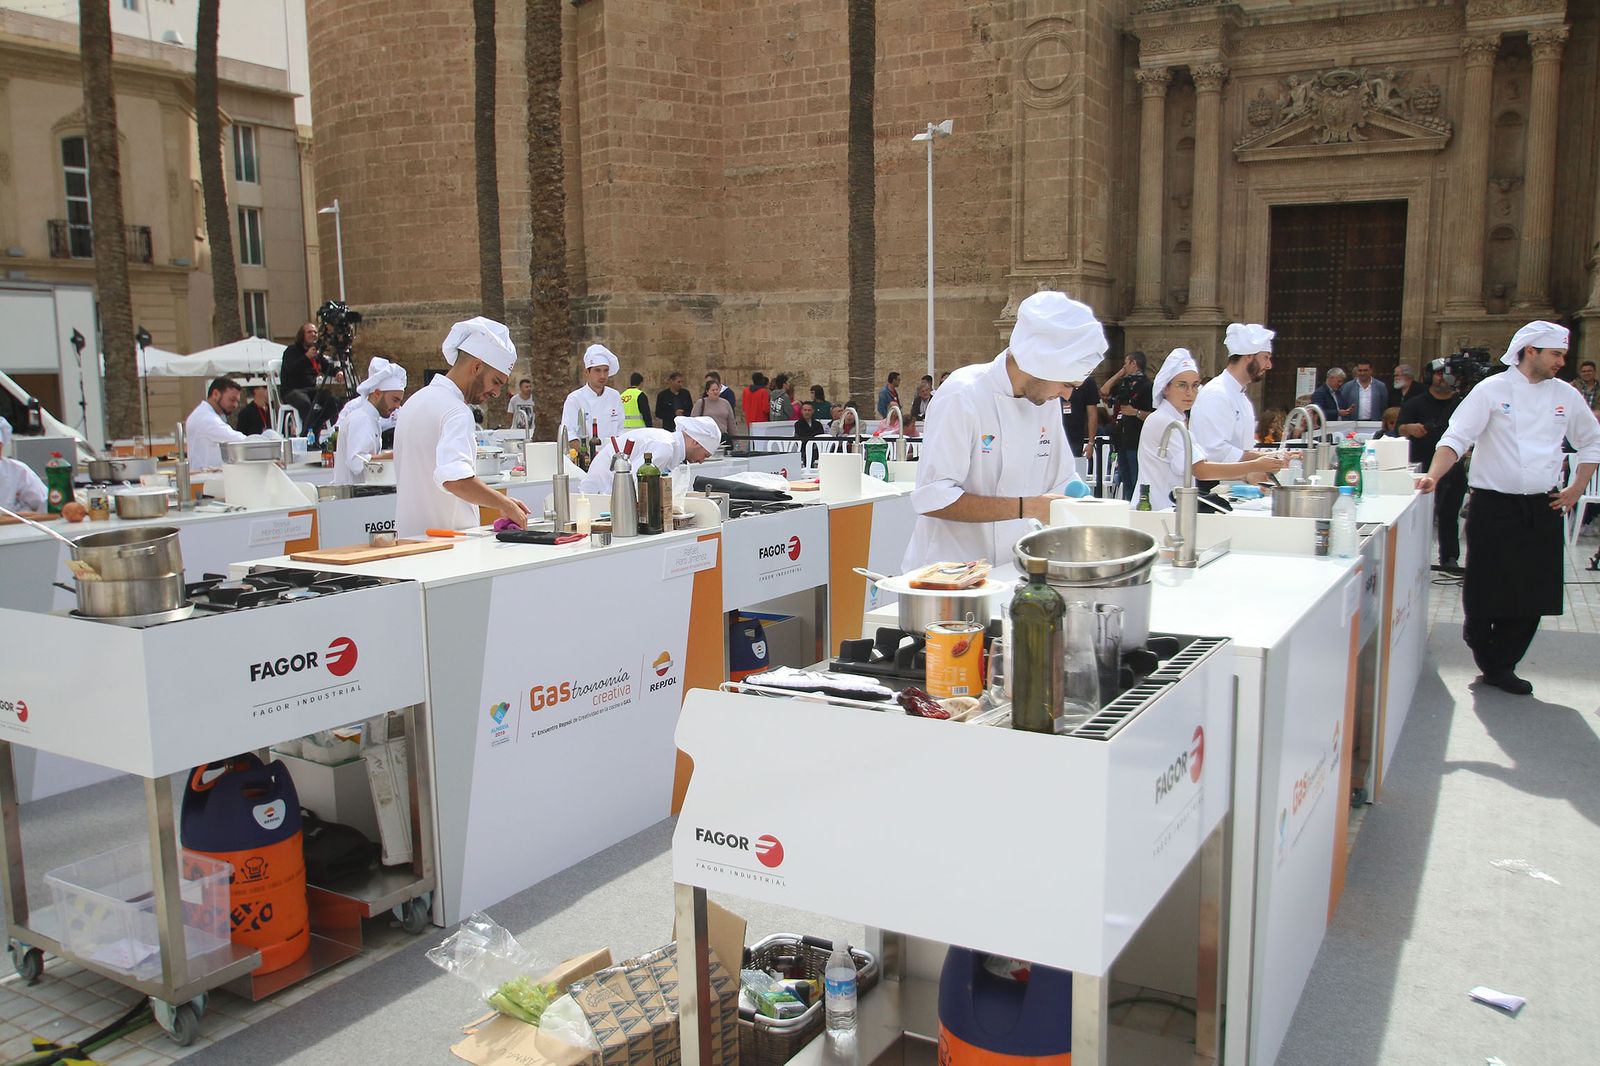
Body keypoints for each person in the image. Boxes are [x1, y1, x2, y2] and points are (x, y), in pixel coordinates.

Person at [1417, 321, 1600, 695]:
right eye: (1556, 354)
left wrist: (1576, 488)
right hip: (1492, 505)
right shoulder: (1491, 390)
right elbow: (1456, 438)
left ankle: (1502, 665)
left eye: (1563, 354)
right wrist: (1433, 477)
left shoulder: (1565, 395)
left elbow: (1591, 442)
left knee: (1534, 591)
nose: (1562, 362)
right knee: (1486, 586)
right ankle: (1480, 635)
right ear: (1530, 351)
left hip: (1543, 505)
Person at [902, 291, 1100, 573]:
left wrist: (1088, 504)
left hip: (1011, 568)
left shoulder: (1044, 401)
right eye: (1067, 383)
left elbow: (1061, 478)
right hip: (948, 573)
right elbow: (934, 498)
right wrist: (1027, 507)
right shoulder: (962, 394)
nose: (1067, 395)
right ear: (1039, 363)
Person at [394, 317, 530, 537]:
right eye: (496, 381)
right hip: (446, 548)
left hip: (410, 542)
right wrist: (505, 504)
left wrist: (499, 501)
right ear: (476, 366)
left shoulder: (416, 401)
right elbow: (455, 479)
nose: (496, 393)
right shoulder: (456, 411)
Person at [1135, 349, 1287, 510]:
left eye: (1194, 386)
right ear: (1166, 388)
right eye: (1182, 385)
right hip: (1156, 511)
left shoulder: (1177, 419)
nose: (1190, 393)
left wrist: (1248, 473)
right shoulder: (1163, 421)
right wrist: (1255, 465)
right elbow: (1201, 470)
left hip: (1170, 510)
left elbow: (1200, 466)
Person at [1397, 360, 1466, 573]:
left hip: (1453, 467)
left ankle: (1449, 557)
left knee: (1448, 514)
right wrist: (1410, 428)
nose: (1442, 378)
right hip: (1422, 467)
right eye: (1438, 374)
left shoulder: (1463, 404)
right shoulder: (1414, 403)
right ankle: (1413, 558)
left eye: (1447, 374)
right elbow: (1400, 428)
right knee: (1417, 518)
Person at [1191, 323, 1277, 494]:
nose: (1269, 365)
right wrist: (1260, 460)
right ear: (1249, 357)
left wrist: (1270, 456)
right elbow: (1214, 451)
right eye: (1265, 357)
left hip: (1236, 487)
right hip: (1212, 489)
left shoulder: (1240, 394)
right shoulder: (1217, 393)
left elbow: (1242, 446)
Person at [578, 416, 721, 495]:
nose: (701, 461)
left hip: (606, 493)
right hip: (601, 493)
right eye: (705, 455)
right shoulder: (665, 447)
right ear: (696, 442)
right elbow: (634, 484)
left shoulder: (667, 442)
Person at [333, 357, 406, 486]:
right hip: (352, 500)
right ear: (377, 394)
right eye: (395, 400)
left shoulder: (371, 419)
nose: (397, 406)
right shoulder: (362, 419)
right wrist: (391, 457)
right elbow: (356, 462)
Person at [1103, 351, 1153, 500]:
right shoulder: (1125, 385)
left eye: (1126, 364)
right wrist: (1121, 374)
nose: (1124, 367)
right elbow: (1104, 391)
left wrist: (1135, 412)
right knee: (1126, 483)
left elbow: (1153, 416)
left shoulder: (1147, 386)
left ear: (1134, 364)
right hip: (1122, 441)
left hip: (1136, 442)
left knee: (1136, 480)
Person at [561, 344, 625, 441]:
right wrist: (585, 453)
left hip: (611, 453)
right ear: (587, 372)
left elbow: (620, 429)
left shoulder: (614, 396)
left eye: (606, 371)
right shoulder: (575, 399)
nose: (602, 376)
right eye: (597, 371)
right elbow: (569, 433)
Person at [184, 376, 251, 469]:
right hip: (205, 479)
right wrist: (262, 445)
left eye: (237, 401)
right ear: (215, 394)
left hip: (206, 476)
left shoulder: (208, 414)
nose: (235, 405)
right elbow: (237, 439)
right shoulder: (206, 418)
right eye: (232, 399)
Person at [279, 323, 327, 430]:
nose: (313, 334)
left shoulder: (315, 353)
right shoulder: (291, 351)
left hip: (311, 390)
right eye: (309, 332)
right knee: (305, 404)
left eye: (315, 332)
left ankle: (316, 427)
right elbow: (291, 369)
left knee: (333, 402)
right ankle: (308, 435)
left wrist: (338, 372)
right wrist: (306, 357)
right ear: (302, 335)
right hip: (293, 390)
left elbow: (327, 366)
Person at [1061, 371, 1101, 458]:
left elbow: (1092, 415)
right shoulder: (1054, 377)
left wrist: (1091, 442)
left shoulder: (1087, 381)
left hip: (1075, 436)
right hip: (1054, 435)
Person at [691, 378, 735, 444]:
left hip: (723, 437)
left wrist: (735, 440)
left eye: (717, 390)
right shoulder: (700, 403)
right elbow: (693, 421)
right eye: (713, 390)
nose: (715, 392)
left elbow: (731, 422)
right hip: (707, 438)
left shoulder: (725, 403)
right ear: (707, 391)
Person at [794, 400, 826, 464]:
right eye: (805, 410)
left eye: (809, 410)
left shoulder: (818, 424)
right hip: (804, 449)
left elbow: (821, 437)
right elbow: (802, 437)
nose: (807, 412)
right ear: (802, 411)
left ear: (813, 411)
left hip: (817, 449)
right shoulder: (798, 424)